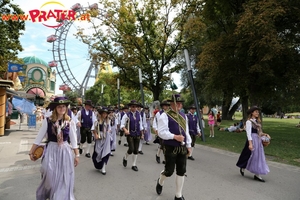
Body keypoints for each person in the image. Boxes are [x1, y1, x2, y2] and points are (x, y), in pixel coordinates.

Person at [28, 97, 79, 200]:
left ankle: (58, 197)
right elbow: (39, 137)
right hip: (51, 150)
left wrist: (77, 155)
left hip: (65, 151)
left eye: (63, 106)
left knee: (64, 178)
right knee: (49, 175)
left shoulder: (70, 122)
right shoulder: (48, 121)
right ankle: (49, 194)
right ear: (55, 108)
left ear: (66, 108)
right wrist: (31, 151)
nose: (61, 108)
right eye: (59, 106)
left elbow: (73, 140)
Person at [156, 94, 191, 200]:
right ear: (171, 104)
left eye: (181, 103)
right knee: (169, 171)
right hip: (170, 147)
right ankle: (160, 181)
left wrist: (189, 145)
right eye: (177, 103)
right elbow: (161, 133)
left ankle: (178, 195)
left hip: (182, 147)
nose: (179, 105)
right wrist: (174, 137)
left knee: (182, 170)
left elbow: (187, 132)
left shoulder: (184, 116)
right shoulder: (165, 116)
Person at [236, 106, 270, 182]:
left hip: (258, 140)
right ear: (252, 113)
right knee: (249, 155)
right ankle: (243, 167)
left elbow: (260, 133)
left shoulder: (258, 122)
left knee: (258, 156)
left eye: (258, 112)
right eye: (256, 112)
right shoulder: (249, 122)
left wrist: (265, 135)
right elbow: (248, 133)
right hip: (252, 140)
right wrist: (250, 144)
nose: (257, 113)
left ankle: (257, 174)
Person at [121, 100, 144, 171]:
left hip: (137, 134)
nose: (134, 108)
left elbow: (141, 125)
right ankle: (125, 157)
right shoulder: (126, 115)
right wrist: (125, 130)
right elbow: (122, 125)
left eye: (136, 107)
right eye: (133, 106)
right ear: (130, 107)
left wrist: (142, 134)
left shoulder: (139, 114)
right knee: (131, 149)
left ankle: (134, 165)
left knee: (136, 150)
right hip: (130, 134)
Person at [91, 107, 111, 175]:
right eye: (104, 113)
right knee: (97, 152)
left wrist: (108, 131)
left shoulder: (108, 121)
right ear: (101, 114)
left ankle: (103, 168)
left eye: (106, 114)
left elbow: (109, 129)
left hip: (106, 138)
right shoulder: (97, 121)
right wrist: (96, 134)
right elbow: (93, 129)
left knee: (106, 152)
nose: (105, 115)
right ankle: (99, 165)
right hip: (99, 139)